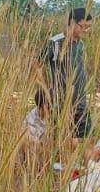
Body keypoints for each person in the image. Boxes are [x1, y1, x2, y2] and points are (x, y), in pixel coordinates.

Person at [40, 7, 94, 139]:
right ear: (72, 22)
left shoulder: (81, 44)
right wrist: (45, 90)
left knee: (86, 139)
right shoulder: (56, 42)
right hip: (61, 104)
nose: (86, 31)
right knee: (63, 140)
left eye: (88, 27)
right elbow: (37, 64)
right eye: (83, 26)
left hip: (80, 101)